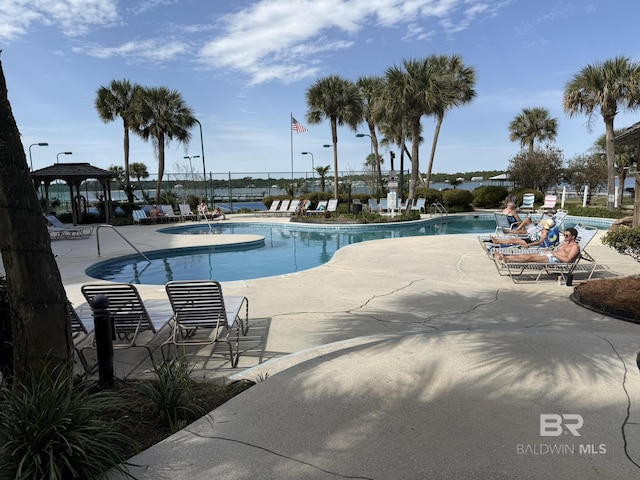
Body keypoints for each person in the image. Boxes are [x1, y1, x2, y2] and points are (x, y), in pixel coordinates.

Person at [494, 227, 580, 264]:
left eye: (567, 236)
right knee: (527, 255)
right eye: (564, 235)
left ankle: (507, 259)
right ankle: (505, 258)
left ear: (573, 237)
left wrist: (555, 254)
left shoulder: (574, 247)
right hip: (550, 254)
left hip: (554, 259)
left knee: (531, 258)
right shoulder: (565, 243)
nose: (564, 237)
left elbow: (568, 260)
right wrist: (551, 251)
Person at [489, 218, 557, 248]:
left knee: (513, 241)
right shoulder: (543, 230)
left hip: (529, 242)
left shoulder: (545, 232)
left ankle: (497, 241)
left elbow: (540, 242)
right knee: (514, 240)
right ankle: (497, 241)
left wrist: (529, 244)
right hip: (529, 239)